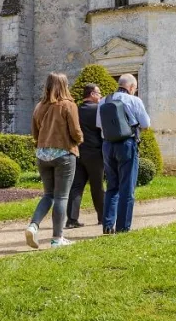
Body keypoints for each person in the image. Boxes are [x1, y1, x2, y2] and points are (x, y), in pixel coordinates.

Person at [25, 72, 84, 249]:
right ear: (64, 85)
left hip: (43, 155)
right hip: (63, 153)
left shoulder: (39, 107)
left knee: (48, 195)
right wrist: (79, 140)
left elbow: (35, 134)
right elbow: (75, 131)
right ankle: (57, 239)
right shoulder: (68, 105)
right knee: (61, 197)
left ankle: (33, 226)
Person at [96, 73, 150, 234]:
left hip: (107, 145)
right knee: (127, 187)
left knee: (112, 186)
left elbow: (99, 125)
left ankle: (107, 225)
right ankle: (123, 227)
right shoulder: (134, 100)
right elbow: (146, 123)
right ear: (132, 87)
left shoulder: (103, 100)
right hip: (126, 144)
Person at [65, 84, 104, 228]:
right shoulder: (99, 109)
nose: (100, 96)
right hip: (95, 152)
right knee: (97, 185)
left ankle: (72, 219)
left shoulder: (76, 109)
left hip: (78, 151)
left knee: (76, 186)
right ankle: (102, 217)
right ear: (93, 94)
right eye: (99, 93)